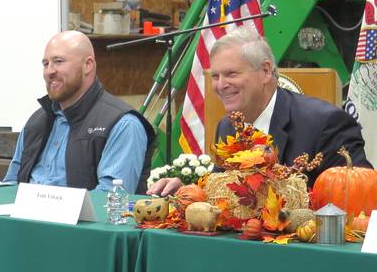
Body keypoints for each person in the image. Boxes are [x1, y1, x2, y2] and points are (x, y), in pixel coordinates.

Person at [148, 27, 372, 196]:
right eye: (215, 76)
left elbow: (358, 199)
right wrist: (190, 191)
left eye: (231, 74)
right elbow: (223, 194)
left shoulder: (326, 123)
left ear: (265, 71)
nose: (220, 84)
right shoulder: (227, 127)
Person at [3, 31, 156, 193]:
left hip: (78, 218)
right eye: (45, 64)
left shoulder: (123, 124)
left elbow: (109, 199)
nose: (49, 71)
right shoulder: (36, 121)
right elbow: (10, 185)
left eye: (58, 61)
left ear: (88, 65)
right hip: (24, 216)